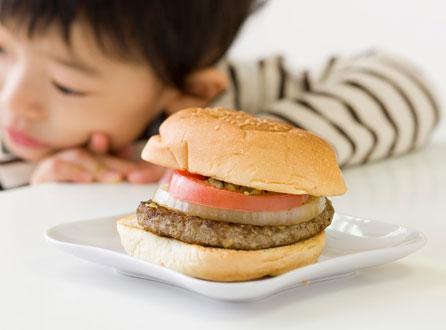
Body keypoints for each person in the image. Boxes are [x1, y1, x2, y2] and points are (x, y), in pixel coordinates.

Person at [0, 0, 441, 190]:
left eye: (67, 85)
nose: (15, 102)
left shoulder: (220, 104)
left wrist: (251, 152)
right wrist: (29, 180)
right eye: (3, 51)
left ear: (187, 91)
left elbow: (407, 86)